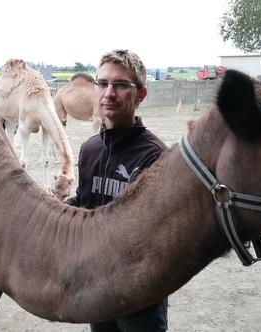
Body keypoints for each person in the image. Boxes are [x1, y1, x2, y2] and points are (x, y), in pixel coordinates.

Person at [65, 49, 168, 332]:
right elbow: (86, 201)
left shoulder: (155, 156)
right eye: (102, 83)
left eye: (121, 85)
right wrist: (55, 207)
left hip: (140, 292)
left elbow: (150, 231)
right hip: (96, 284)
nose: (109, 93)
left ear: (141, 95)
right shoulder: (89, 149)